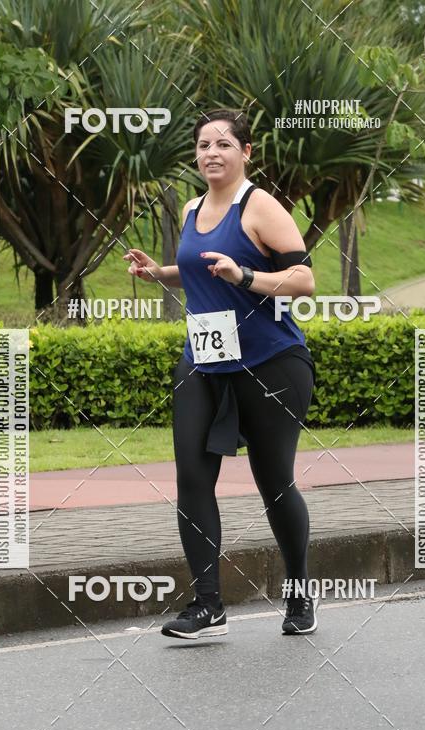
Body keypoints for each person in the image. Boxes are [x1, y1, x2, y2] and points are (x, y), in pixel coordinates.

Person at [124, 108, 318, 639]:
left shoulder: (259, 206)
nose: (212, 152)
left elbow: (304, 281)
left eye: (224, 144)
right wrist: (159, 271)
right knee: (191, 478)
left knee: (274, 482)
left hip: (270, 363)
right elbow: (200, 272)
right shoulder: (191, 207)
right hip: (205, 362)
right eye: (203, 144)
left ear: (245, 152)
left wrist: (247, 274)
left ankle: (300, 595)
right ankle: (207, 604)